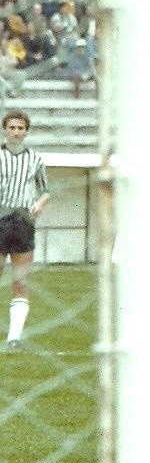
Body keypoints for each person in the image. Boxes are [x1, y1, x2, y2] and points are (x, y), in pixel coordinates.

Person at [0, 111, 50, 348]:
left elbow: (45, 190)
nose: (16, 132)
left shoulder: (35, 159)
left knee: (20, 282)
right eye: (12, 127)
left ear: (26, 131)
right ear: (5, 130)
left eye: (20, 128)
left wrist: (39, 204)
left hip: (22, 223)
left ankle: (14, 337)